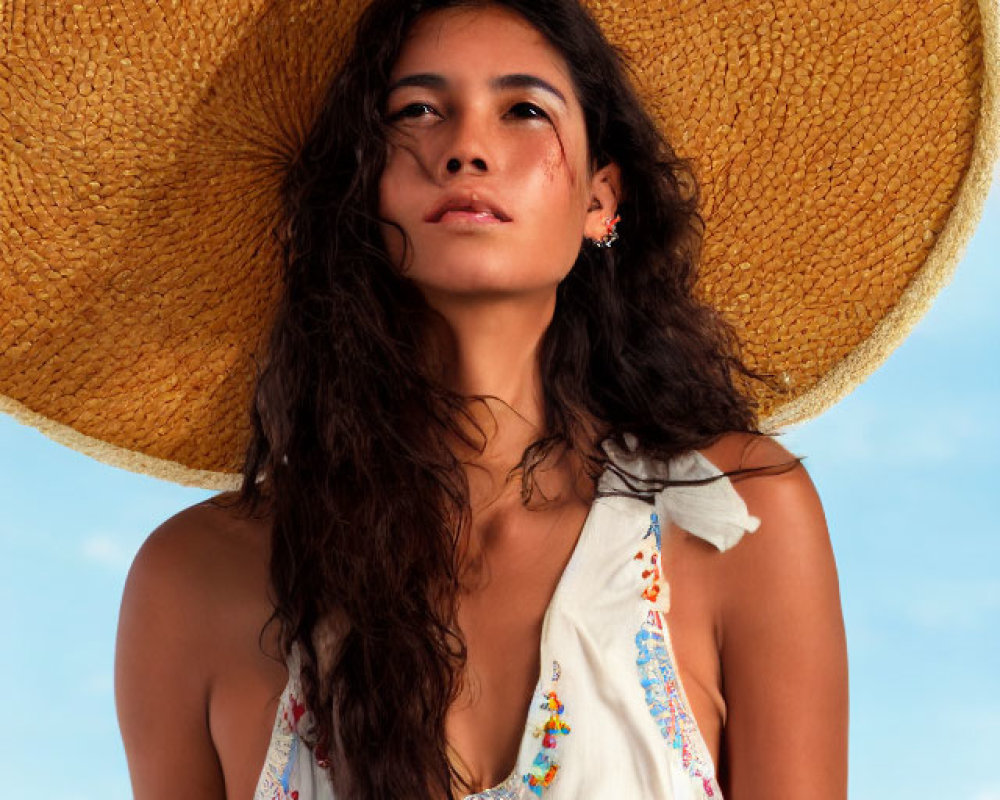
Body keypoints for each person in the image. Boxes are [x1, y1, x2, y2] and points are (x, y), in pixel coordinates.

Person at [113, 1, 848, 798]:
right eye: (419, 111)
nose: (465, 148)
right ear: (361, 191)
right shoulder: (193, 579)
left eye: (524, 110)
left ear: (602, 199)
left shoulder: (731, 518)